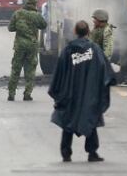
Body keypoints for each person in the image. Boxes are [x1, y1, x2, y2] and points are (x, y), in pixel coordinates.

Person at [48, 20, 116, 163]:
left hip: (70, 94)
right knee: (90, 119)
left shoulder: (67, 51)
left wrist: (58, 93)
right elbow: (105, 71)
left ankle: (66, 153)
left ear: (75, 31)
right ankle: (92, 152)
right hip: (89, 95)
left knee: (68, 121)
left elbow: (59, 73)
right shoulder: (95, 50)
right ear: (88, 32)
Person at [7, 0, 47, 101]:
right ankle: (27, 94)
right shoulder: (37, 15)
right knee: (30, 70)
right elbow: (43, 25)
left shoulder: (18, 13)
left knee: (15, 69)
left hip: (19, 46)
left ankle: (11, 94)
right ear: (35, 3)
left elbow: (10, 28)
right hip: (32, 46)